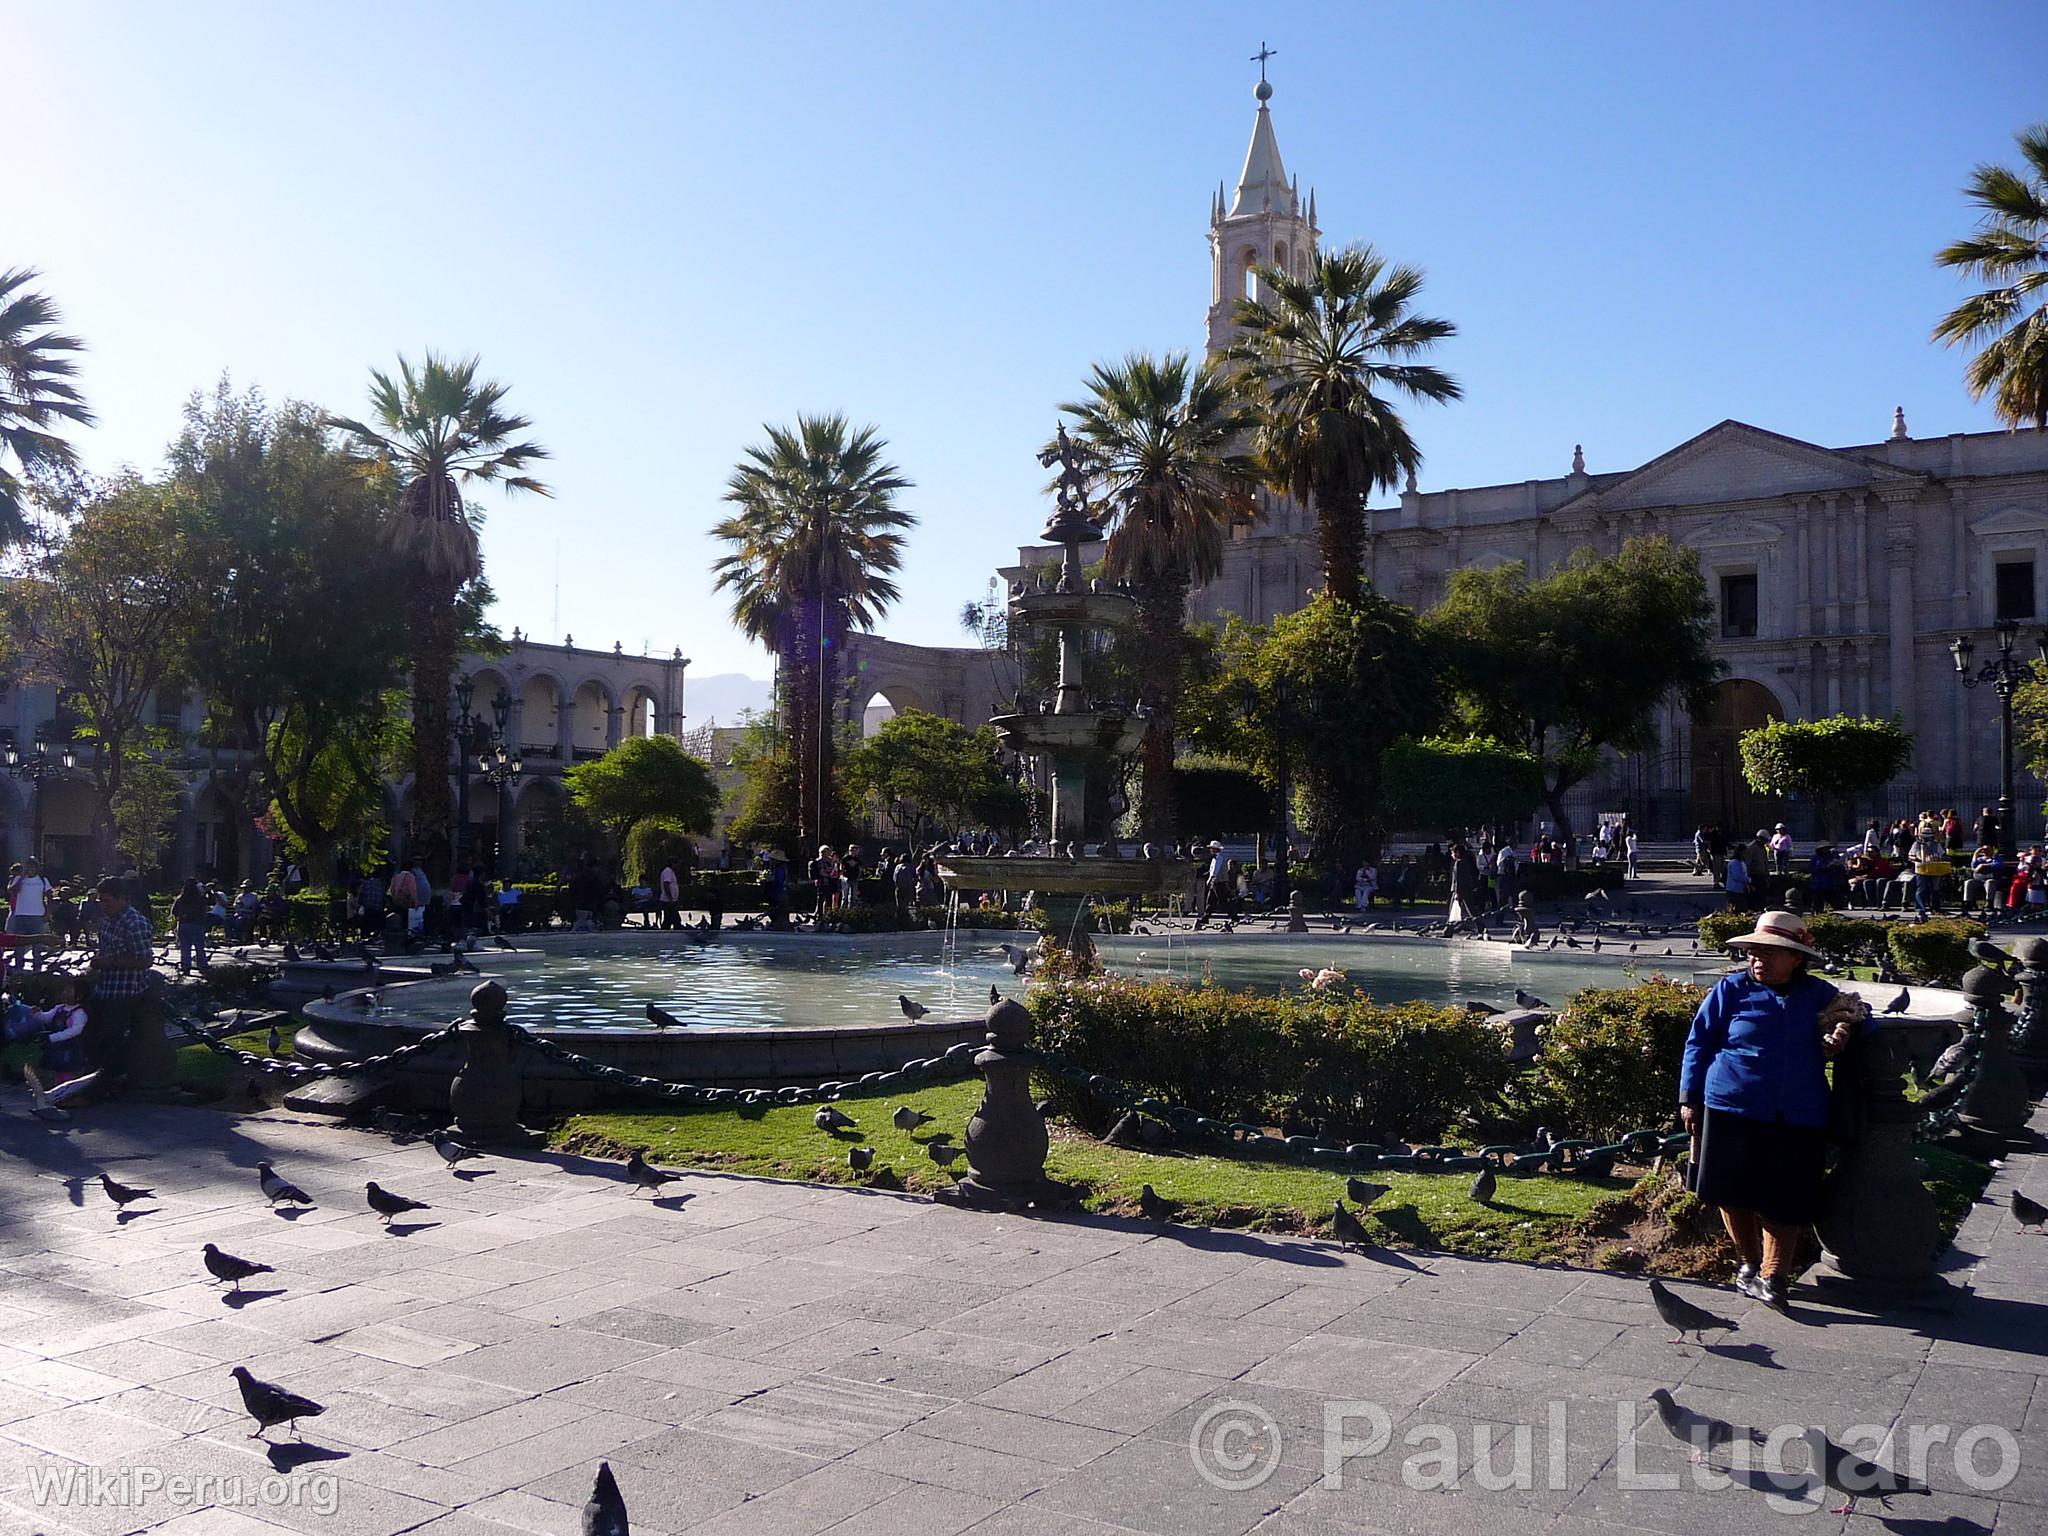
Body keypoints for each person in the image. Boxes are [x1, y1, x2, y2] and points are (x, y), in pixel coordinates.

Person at [1681, 909, 1869, 1309]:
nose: (1757, 959)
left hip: (1798, 1112)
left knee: (1788, 1197)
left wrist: (1845, 1029)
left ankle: (1774, 1274)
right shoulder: (1730, 991)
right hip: (1730, 1106)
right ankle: (1748, 1264)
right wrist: (1689, 1098)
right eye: (1753, 951)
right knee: (1730, 1192)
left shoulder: (1819, 996)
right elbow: (1698, 1043)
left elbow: (1854, 1018)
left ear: (1796, 958)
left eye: (1769, 952)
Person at [86, 876, 155, 1077]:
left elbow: (145, 960)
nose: (103, 905)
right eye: (101, 900)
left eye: (107, 901)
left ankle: (106, 1082)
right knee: (90, 1035)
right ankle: (91, 1080)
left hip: (126, 990)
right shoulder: (107, 922)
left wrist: (110, 963)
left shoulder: (135, 923)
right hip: (104, 987)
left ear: (122, 898)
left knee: (110, 1040)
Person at [1908, 815, 1950, 922]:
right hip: (1921, 868)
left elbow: (1943, 855)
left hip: (1935, 868)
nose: (1925, 838)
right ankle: (1920, 909)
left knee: (1935, 888)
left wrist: (1938, 858)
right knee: (1921, 889)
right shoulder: (1917, 844)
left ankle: (1935, 907)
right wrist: (1916, 858)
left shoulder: (1936, 845)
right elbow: (1910, 856)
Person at [171, 879, 209, 974]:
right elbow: (212, 901)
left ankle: (186, 966)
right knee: (199, 947)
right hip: (197, 925)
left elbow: (174, 912)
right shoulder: (200, 898)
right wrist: (207, 890)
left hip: (183, 925)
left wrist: (181, 916)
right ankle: (202, 965)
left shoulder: (180, 898)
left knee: (185, 948)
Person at [7, 858, 52, 938]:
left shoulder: (43, 880)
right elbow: (12, 891)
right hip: (21, 914)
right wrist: (21, 878)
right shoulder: (19, 879)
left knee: (37, 941)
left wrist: (48, 913)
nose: (30, 869)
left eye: (33, 866)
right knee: (20, 942)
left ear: (37, 868)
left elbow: (49, 897)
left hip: (37, 915)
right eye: (28, 866)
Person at [1724, 839, 1752, 910]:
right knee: (1735, 909)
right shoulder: (1734, 862)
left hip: (1740, 890)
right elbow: (1737, 876)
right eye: (1745, 852)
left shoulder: (1741, 862)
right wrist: (1748, 879)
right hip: (1734, 890)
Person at [658, 860, 681, 930]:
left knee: (669, 917)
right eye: (676, 864)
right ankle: (675, 929)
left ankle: (666, 928)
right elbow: (666, 884)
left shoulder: (670, 872)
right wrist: (670, 898)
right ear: (672, 864)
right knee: (673, 916)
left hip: (671, 899)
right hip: (667, 900)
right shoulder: (668, 872)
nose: (677, 866)